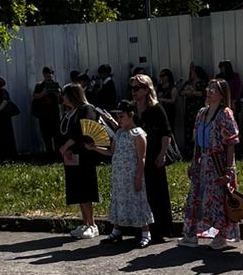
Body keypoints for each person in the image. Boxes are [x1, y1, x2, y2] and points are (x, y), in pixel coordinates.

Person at [181, 77, 240, 251]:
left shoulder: (225, 114)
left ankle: (221, 236)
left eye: (214, 90)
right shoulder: (202, 113)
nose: (209, 92)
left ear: (222, 95)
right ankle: (192, 234)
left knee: (217, 199)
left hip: (217, 163)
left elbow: (230, 143)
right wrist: (193, 163)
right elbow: (197, 143)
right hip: (202, 162)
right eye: (209, 88)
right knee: (196, 197)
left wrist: (228, 170)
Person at [102, 99, 153, 246]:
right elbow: (111, 151)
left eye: (122, 116)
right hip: (119, 176)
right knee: (119, 200)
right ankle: (116, 230)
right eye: (117, 116)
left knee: (138, 201)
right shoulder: (119, 132)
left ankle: (145, 233)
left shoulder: (138, 134)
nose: (119, 119)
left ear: (131, 115)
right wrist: (94, 148)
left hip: (132, 175)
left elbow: (142, 158)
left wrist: (138, 177)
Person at [58, 81, 105, 238]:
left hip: (84, 156)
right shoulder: (69, 112)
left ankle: (92, 224)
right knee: (77, 189)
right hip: (71, 157)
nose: (63, 97)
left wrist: (66, 145)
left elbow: (83, 131)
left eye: (65, 94)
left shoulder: (86, 109)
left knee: (85, 189)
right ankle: (85, 222)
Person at [130, 73, 173, 242]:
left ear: (146, 89)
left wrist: (162, 154)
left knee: (156, 192)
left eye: (137, 88)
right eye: (132, 88)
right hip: (137, 156)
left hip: (153, 154)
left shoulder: (156, 108)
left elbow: (166, 133)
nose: (134, 92)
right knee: (140, 192)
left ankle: (159, 229)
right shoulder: (132, 109)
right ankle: (141, 228)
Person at [31, 67, 62, 158]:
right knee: (46, 135)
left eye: (50, 75)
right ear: (44, 75)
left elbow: (61, 101)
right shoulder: (39, 85)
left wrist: (58, 94)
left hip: (54, 114)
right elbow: (35, 96)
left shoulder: (56, 85)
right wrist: (43, 93)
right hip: (43, 114)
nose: (49, 77)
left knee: (56, 135)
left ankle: (57, 154)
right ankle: (49, 154)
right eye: (47, 75)